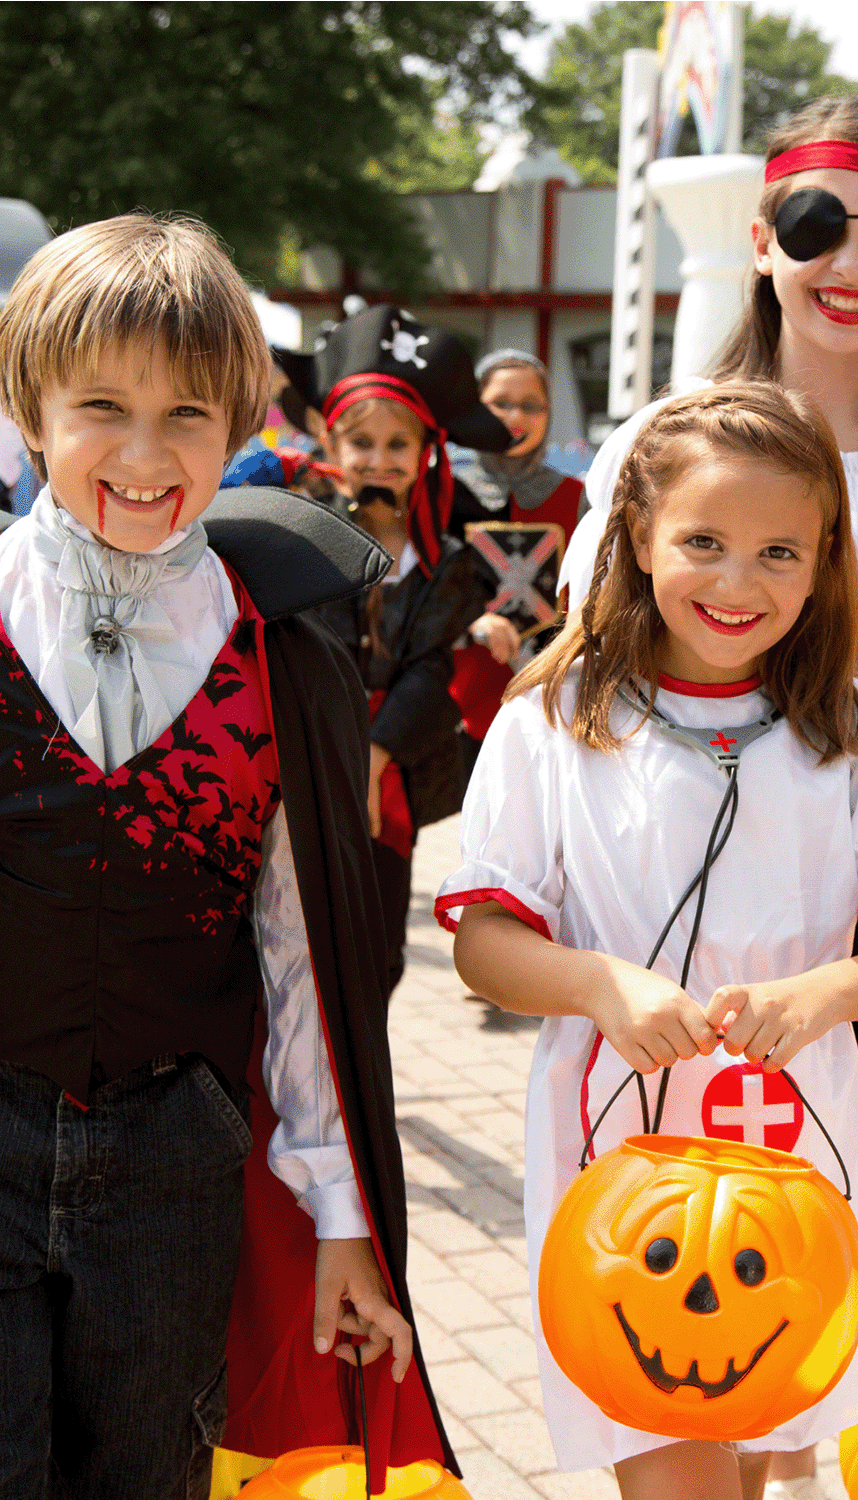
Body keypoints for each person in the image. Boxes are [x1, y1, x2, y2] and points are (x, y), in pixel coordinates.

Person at [437, 382, 858, 1500]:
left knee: (760, 1458)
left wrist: (832, 988)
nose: (740, 583)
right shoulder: (557, 719)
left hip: (799, 1155)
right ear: (637, 535)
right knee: (670, 1444)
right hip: (618, 1162)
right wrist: (598, 986)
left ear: (828, 554)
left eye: (781, 551)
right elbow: (484, 943)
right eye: (703, 542)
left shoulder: (856, 727)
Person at [0, 216, 454, 1492]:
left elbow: (304, 952)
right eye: (101, 406)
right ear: (30, 407)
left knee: (149, 1474)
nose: (146, 456)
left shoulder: (279, 646)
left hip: (174, 1164)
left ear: (244, 421)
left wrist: (343, 1218)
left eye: (189, 415)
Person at [274, 306, 508, 1002]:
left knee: (377, 950)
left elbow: (436, 670)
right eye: (362, 443)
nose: (379, 461)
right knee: (299, 940)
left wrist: (378, 757)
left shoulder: (455, 561)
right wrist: (350, 753)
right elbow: (315, 652)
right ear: (332, 443)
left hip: (399, 769)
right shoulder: (303, 536)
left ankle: (364, 1098)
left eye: (396, 445)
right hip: (316, 754)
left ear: (426, 449)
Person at [448, 348, 586, 775]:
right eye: (501, 404)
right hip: (463, 694)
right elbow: (430, 591)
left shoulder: (578, 497)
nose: (516, 417)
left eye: (531, 405)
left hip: (554, 694)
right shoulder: (446, 494)